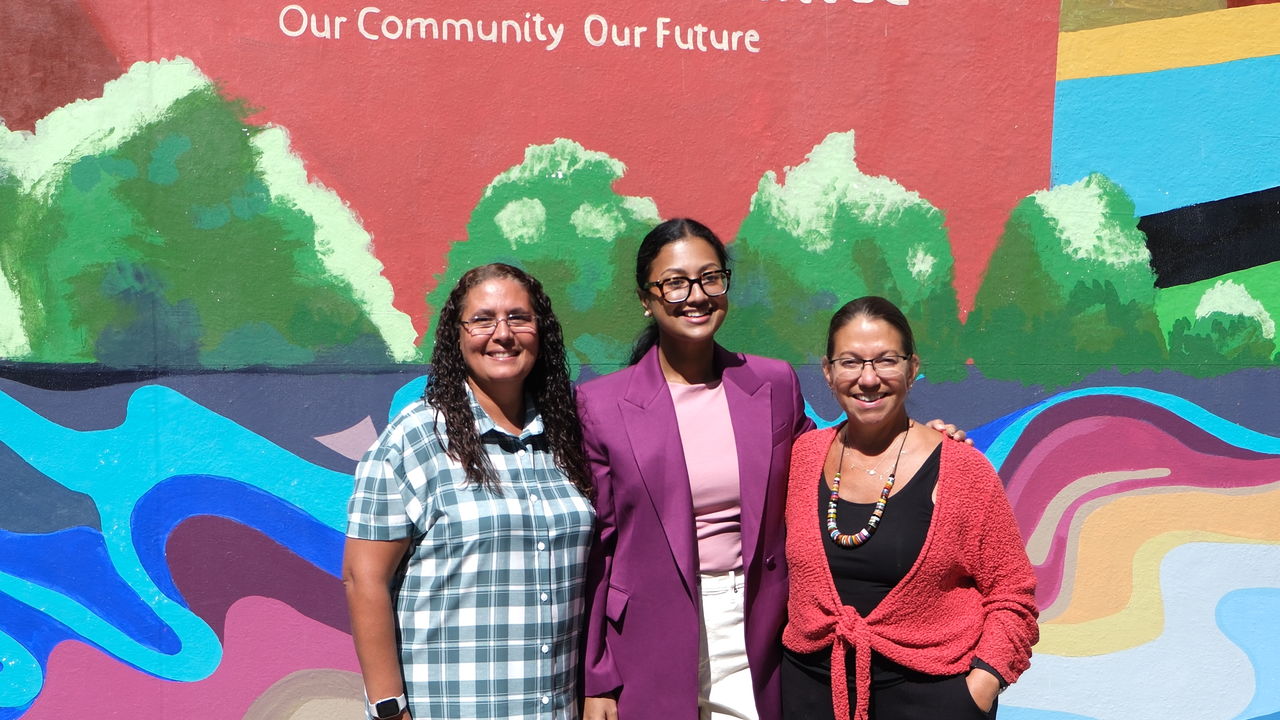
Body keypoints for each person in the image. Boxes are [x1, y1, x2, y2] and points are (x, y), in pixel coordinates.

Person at [578, 220, 966, 720]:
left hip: (755, 628)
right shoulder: (600, 404)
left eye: (710, 278)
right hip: (645, 640)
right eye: (674, 282)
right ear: (645, 298)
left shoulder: (771, 382)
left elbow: (830, 458)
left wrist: (913, 442)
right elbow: (597, 552)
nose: (695, 295)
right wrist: (598, 677)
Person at [343, 263, 595, 720]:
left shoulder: (567, 438)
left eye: (519, 317)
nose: (503, 333)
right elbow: (364, 580)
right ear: (456, 337)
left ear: (542, 331)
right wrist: (388, 710)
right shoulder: (416, 439)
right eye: (482, 319)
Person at [780, 296, 1038, 720]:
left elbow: (1012, 595)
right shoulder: (803, 458)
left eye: (886, 360)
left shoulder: (961, 470)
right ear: (827, 372)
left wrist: (980, 687)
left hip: (932, 700)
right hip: (810, 695)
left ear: (912, 369)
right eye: (850, 362)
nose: (868, 379)